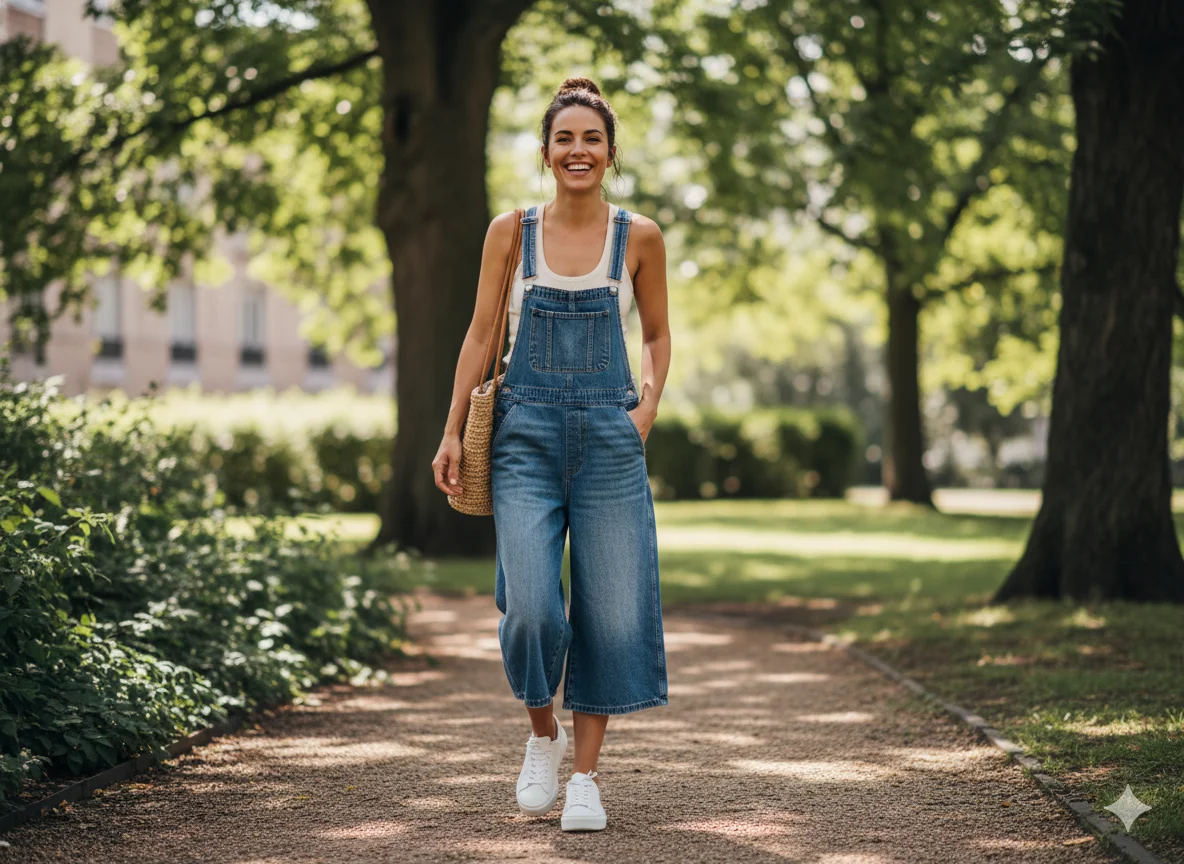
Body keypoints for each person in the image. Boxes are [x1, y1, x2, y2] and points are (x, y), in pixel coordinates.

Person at [432, 77, 671, 832]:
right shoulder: (512, 232)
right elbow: (479, 337)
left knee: (610, 612)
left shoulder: (640, 237)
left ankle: (588, 782)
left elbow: (659, 336)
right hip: (523, 440)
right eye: (564, 139)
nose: (578, 150)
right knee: (531, 609)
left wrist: (648, 409)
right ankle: (544, 736)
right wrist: (448, 433)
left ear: (609, 152)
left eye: (591, 139)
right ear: (545, 152)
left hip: (609, 441)